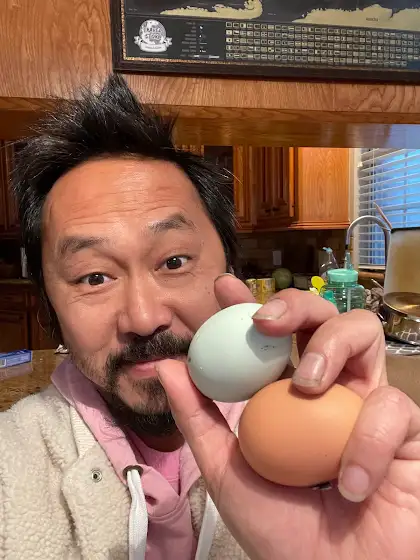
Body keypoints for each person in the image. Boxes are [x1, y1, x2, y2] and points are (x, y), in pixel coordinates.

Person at [1, 74, 419, 560]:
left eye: (174, 261)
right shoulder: (16, 465)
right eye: (94, 277)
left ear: (230, 272)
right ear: (49, 305)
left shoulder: (312, 440)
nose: (144, 318)